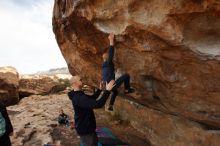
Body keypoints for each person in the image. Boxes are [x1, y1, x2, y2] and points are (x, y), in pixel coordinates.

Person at [68, 75, 115, 146]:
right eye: (80, 80)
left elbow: (92, 98)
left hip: (86, 127)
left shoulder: (78, 94)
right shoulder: (78, 97)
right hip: (86, 130)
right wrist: (107, 91)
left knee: (94, 142)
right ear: (75, 83)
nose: (82, 81)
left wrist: (99, 90)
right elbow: (98, 104)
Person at [102, 33, 135, 111]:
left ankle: (110, 105)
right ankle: (127, 89)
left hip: (106, 86)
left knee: (115, 92)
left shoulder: (104, 66)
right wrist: (111, 40)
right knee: (126, 75)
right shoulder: (108, 63)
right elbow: (111, 53)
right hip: (111, 85)